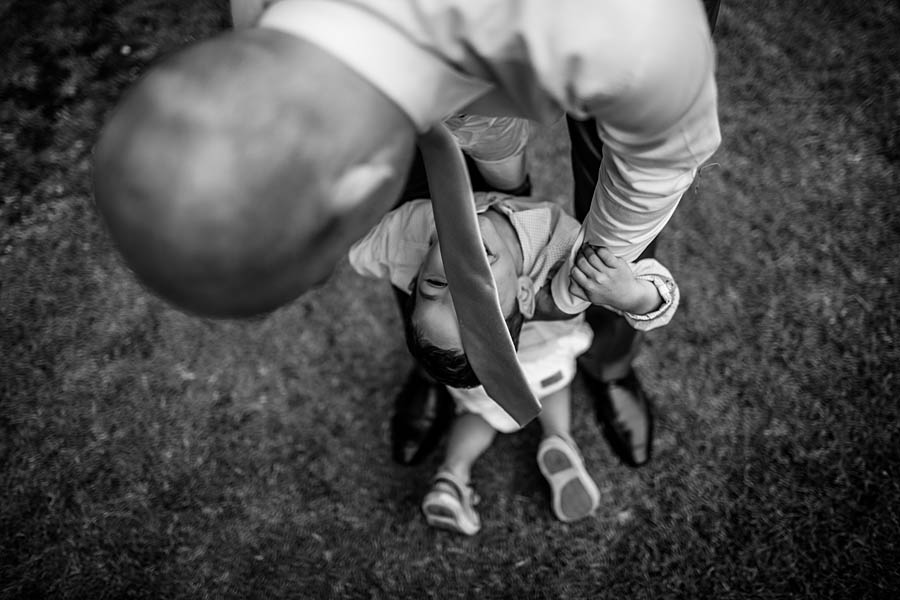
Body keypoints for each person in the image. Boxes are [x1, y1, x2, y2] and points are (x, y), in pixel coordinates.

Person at [92, 0, 721, 471]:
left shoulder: (634, 33)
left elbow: (654, 168)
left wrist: (610, 270)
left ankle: (606, 364)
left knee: (617, 236)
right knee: (423, 244)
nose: (446, 256)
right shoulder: (268, 32)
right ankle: (445, 367)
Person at [348, 191, 679, 534]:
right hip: (548, 356)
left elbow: (359, 249)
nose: (456, 273)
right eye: (480, 299)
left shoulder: (412, 231)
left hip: (485, 389)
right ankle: (558, 438)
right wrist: (633, 296)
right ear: (524, 294)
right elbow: (664, 294)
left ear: (414, 279)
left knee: (480, 415)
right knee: (553, 390)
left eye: (435, 283)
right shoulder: (562, 249)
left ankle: (453, 474)